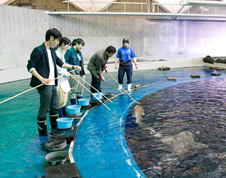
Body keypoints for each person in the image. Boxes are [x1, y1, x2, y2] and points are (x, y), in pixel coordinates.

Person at [27, 28, 81, 136]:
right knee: (44, 108)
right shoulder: (38, 50)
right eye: (57, 40)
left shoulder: (52, 50)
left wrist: (73, 66)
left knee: (55, 107)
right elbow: (30, 67)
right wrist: (41, 78)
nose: (58, 43)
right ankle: (43, 132)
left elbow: (60, 63)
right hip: (44, 84)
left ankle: (55, 128)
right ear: (51, 38)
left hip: (53, 84)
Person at [55, 37, 73, 118]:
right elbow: (59, 68)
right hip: (60, 80)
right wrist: (68, 74)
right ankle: (61, 116)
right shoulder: (57, 53)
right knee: (60, 100)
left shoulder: (62, 52)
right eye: (68, 45)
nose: (68, 47)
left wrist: (68, 73)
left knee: (64, 100)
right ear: (62, 44)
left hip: (64, 79)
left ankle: (64, 114)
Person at [65, 38, 86, 105]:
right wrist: (71, 70)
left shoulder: (79, 52)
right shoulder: (69, 51)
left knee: (80, 90)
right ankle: (74, 106)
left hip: (81, 73)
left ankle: (80, 106)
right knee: (73, 90)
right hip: (74, 73)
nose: (81, 47)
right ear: (76, 44)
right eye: (81, 45)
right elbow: (65, 61)